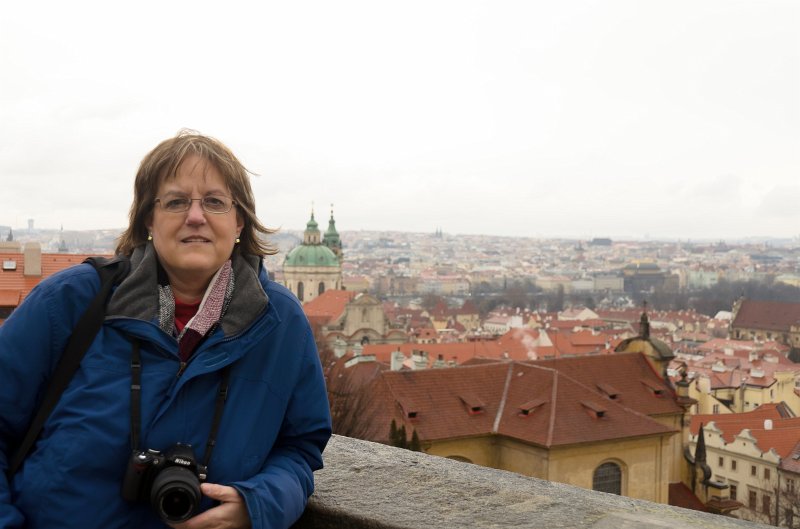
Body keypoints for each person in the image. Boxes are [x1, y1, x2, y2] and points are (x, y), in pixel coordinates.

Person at [0, 131, 332, 529]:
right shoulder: (71, 300)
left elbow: (300, 448)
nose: (196, 216)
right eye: (176, 202)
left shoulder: (279, 322)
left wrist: (260, 504)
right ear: (148, 219)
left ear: (239, 221)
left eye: (215, 202)